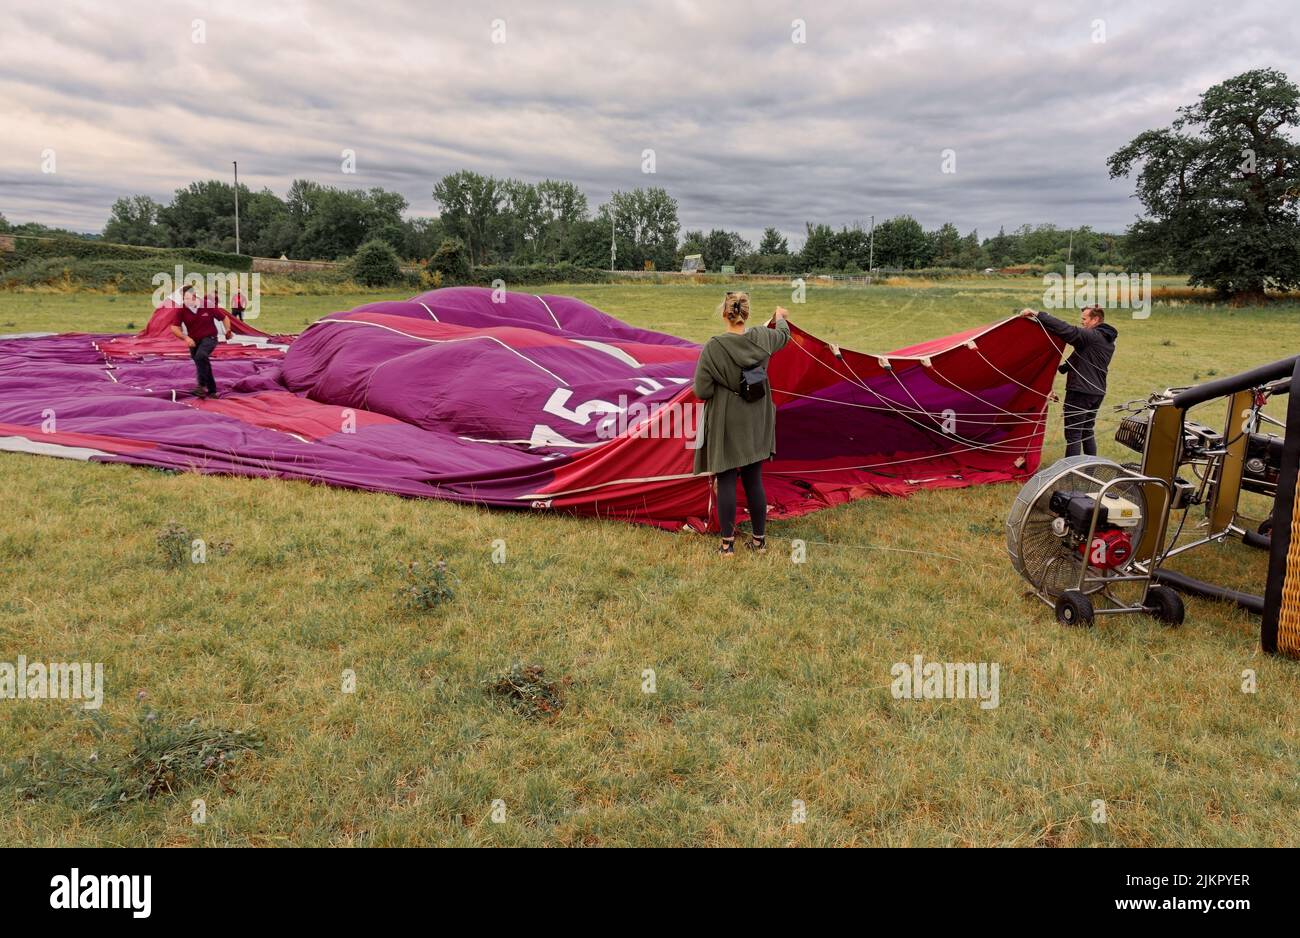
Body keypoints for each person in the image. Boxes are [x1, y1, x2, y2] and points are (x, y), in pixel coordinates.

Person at [692, 292, 792, 555]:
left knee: (725, 479)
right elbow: (784, 335)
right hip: (757, 417)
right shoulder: (763, 336)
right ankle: (759, 542)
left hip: (726, 419)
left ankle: (727, 546)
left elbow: (701, 391)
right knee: (753, 479)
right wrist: (780, 317)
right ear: (745, 314)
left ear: (725, 313)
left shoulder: (714, 347)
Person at [1019, 304, 1118, 457]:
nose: (1082, 322)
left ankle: (1071, 473)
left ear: (1096, 319)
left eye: (1085, 319)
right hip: (1096, 393)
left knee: (1073, 434)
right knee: (1086, 430)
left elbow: (1067, 330)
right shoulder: (1107, 341)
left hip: (1080, 392)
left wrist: (1038, 314)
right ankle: (1090, 468)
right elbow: (1083, 354)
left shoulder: (1092, 336)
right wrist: (1064, 368)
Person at [170, 285, 237, 398]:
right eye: (183, 298)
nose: (184, 301)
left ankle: (200, 386)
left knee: (201, 356)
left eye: (187, 298)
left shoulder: (208, 305)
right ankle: (212, 391)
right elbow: (174, 327)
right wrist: (186, 338)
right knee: (202, 363)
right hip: (194, 340)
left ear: (194, 296)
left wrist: (228, 330)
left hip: (209, 338)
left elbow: (224, 318)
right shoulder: (181, 310)